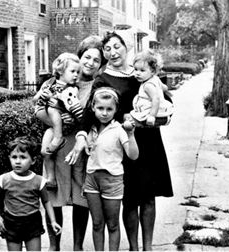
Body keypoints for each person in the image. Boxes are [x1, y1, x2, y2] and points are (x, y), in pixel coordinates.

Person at [68, 31, 173, 251]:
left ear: (126, 47)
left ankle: (148, 247)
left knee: (149, 197)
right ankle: (134, 247)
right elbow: (90, 111)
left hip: (149, 140)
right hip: (123, 143)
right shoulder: (103, 79)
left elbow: (165, 101)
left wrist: (160, 112)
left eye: (117, 46)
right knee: (130, 199)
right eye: (107, 49)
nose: (113, 52)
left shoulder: (141, 72)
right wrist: (81, 135)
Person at [45, 35, 106, 251]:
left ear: (101, 65)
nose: (89, 63)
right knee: (54, 196)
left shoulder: (99, 85)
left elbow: (102, 116)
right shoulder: (61, 80)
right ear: (79, 57)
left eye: (96, 60)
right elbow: (38, 109)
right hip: (59, 143)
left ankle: (78, 247)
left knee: (82, 197)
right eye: (86, 57)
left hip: (84, 146)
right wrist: (59, 120)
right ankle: (54, 247)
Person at [84, 87, 139, 251]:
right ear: (93, 107)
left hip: (112, 180)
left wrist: (131, 135)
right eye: (100, 108)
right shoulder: (91, 129)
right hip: (92, 179)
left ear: (116, 110)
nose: (104, 113)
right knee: (96, 223)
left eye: (109, 109)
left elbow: (133, 155)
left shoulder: (119, 129)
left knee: (113, 224)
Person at [0, 136, 62, 251]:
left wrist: (53, 221)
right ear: (9, 158)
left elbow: (47, 202)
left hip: (32, 223)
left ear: (33, 160)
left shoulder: (38, 181)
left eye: (23, 157)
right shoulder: (4, 179)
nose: (18, 161)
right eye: (14, 157)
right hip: (11, 223)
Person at [33, 52, 83, 189]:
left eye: (78, 72)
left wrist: (55, 99)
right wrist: (43, 95)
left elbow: (73, 107)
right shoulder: (49, 83)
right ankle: (51, 178)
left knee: (53, 108)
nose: (76, 75)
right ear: (60, 70)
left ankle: (58, 137)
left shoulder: (72, 89)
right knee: (45, 151)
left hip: (63, 126)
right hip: (52, 127)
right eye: (72, 71)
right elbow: (35, 100)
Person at [123, 50, 174, 129]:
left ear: (152, 71)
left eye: (142, 70)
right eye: (136, 69)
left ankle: (138, 124)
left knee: (128, 121)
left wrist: (152, 116)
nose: (137, 73)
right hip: (162, 112)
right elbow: (165, 88)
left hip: (152, 114)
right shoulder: (156, 79)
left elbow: (156, 99)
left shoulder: (147, 86)